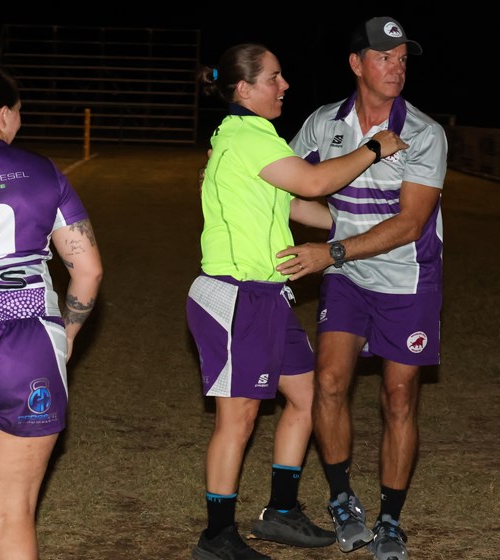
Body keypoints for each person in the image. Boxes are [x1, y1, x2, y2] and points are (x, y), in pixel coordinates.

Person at [187, 43, 408, 560]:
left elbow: (294, 201)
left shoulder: (250, 137)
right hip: (236, 296)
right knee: (238, 418)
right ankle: (217, 535)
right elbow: (313, 179)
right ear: (243, 89)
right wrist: (375, 147)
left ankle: (281, 511)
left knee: (309, 399)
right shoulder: (245, 136)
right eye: (274, 78)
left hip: (267, 296)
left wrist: (363, 225)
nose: (284, 85)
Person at [276, 16, 448, 560]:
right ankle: (343, 498)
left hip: (407, 279)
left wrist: (332, 250)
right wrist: (235, 169)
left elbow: (410, 223)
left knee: (399, 397)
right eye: (384, 57)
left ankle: (392, 518)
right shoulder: (324, 123)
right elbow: (284, 179)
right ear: (356, 64)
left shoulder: (423, 133)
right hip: (348, 277)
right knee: (328, 383)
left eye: (402, 59)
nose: (396, 68)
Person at [0, 58, 103, 560]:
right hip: (26, 347)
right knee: (9, 514)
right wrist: (66, 342)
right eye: (18, 112)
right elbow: (87, 271)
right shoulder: (42, 171)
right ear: (0, 115)